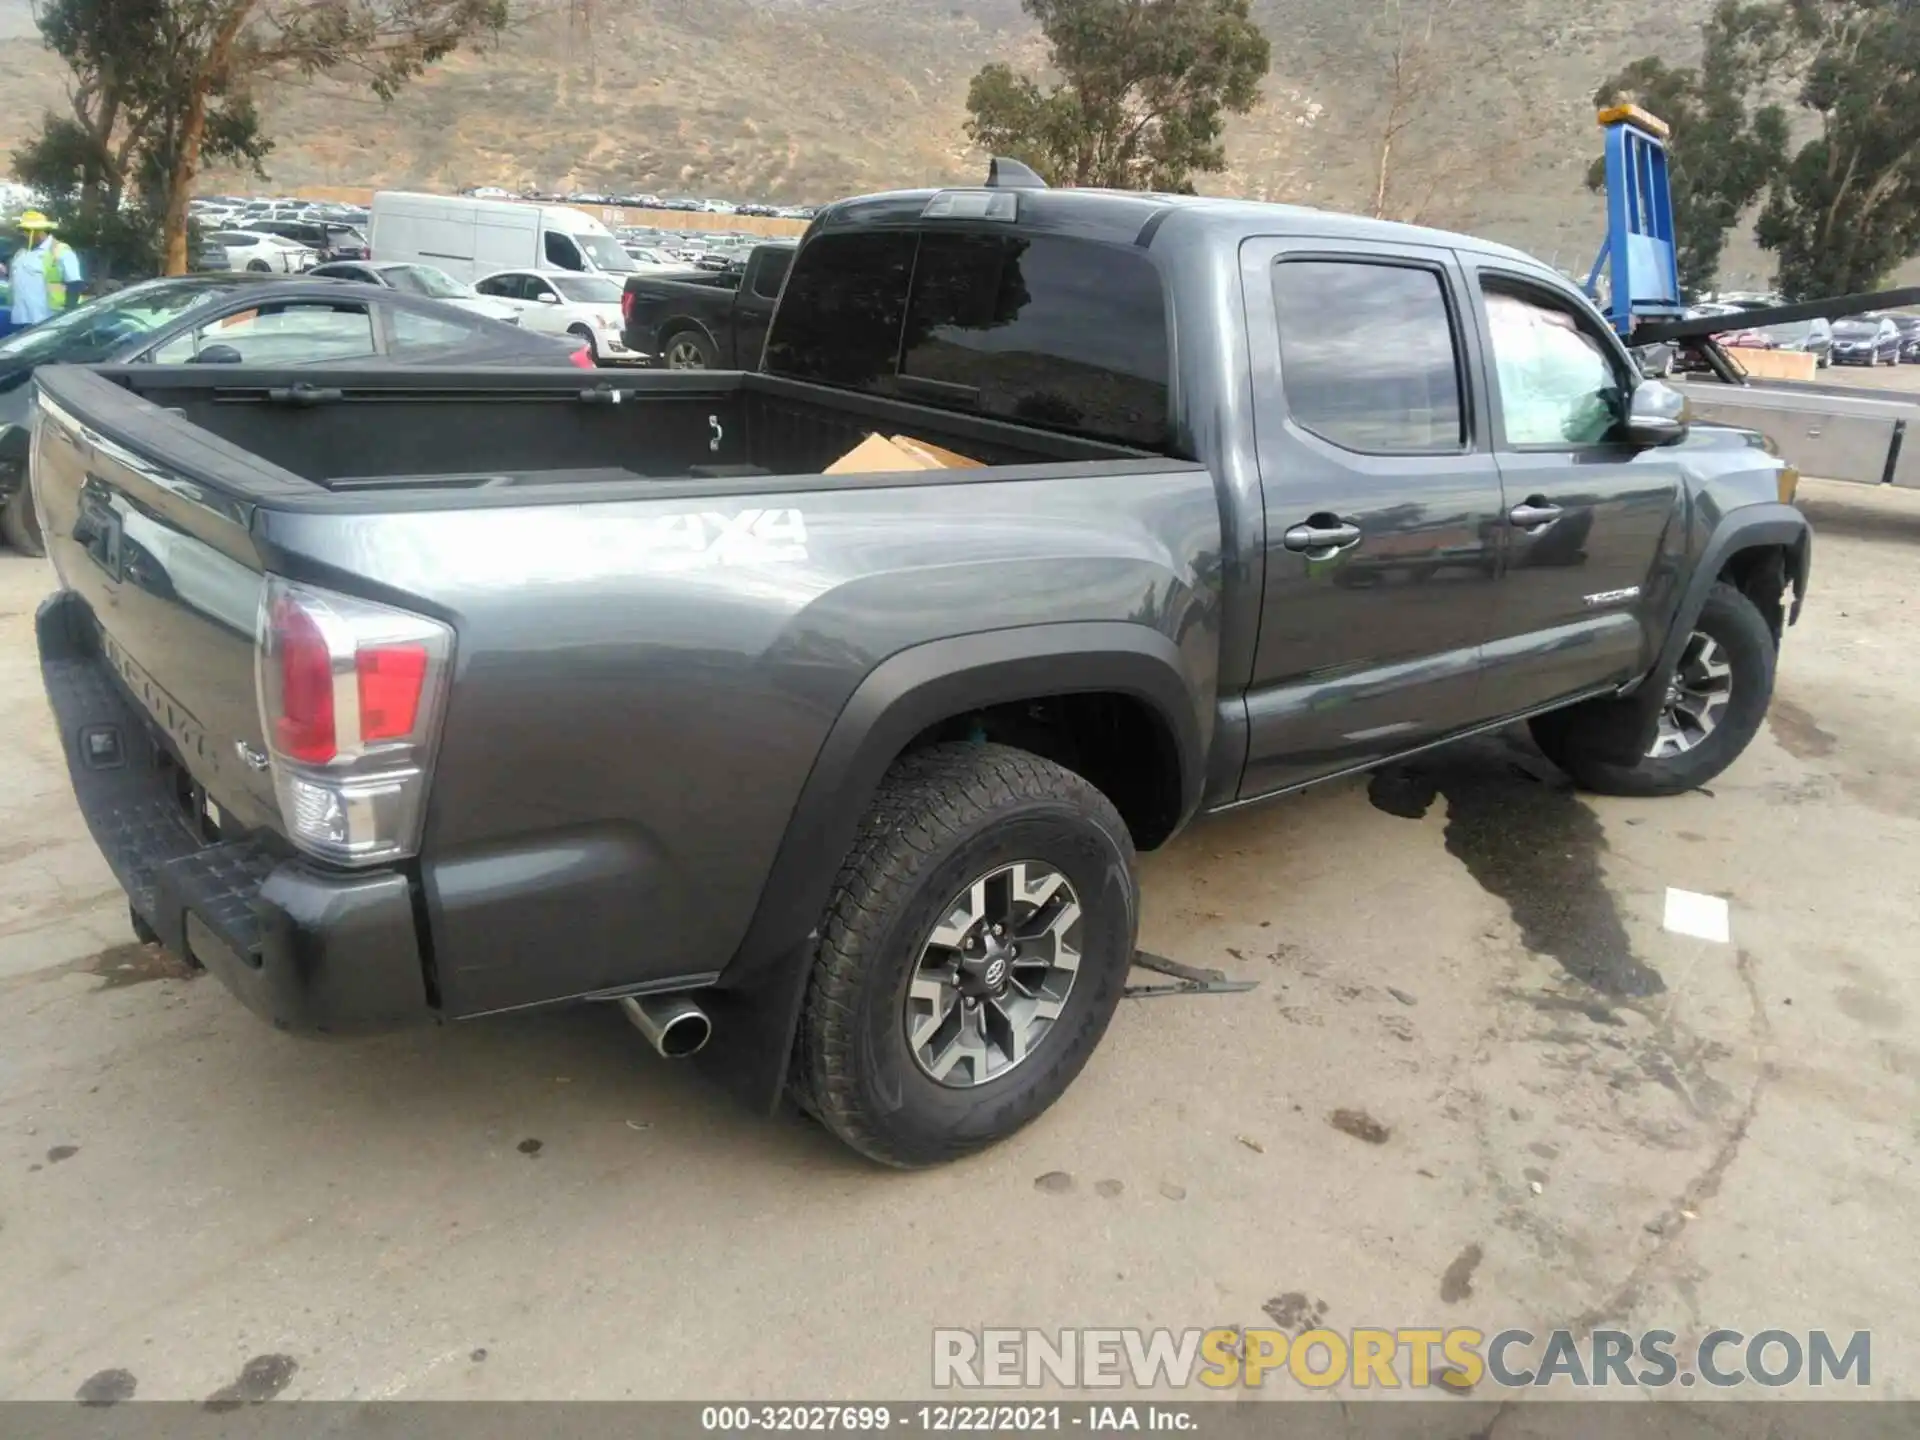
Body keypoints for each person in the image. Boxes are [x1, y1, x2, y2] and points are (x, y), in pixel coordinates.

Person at [1, 211, 84, 339]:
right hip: (20, 317)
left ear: (38, 231)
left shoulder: (60, 251)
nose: (22, 234)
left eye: (26, 231)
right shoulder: (21, 252)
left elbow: (75, 283)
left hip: (46, 320)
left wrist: (68, 316)